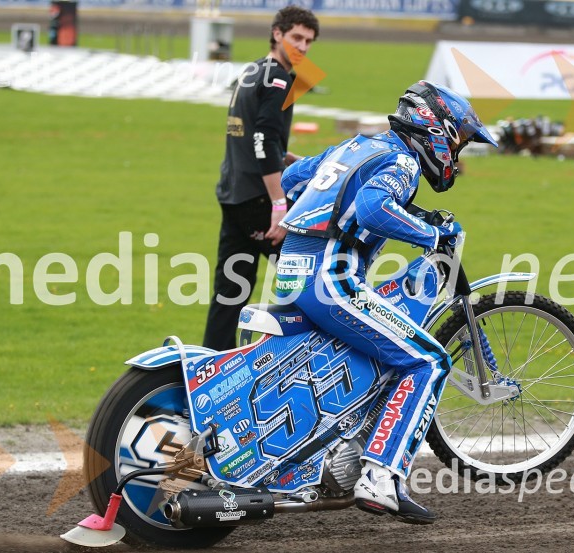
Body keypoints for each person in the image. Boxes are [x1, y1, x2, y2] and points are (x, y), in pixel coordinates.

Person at [275, 81, 498, 523]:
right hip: (329, 279)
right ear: (437, 132)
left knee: (385, 352)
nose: (456, 159)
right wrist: (432, 234)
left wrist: (328, 213)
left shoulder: (357, 146)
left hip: (293, 272)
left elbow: (293, 178)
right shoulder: (402, 161)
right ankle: (380, 479)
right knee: (428, 360)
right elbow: (374, 208)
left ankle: (342, 451)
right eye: (458, 145)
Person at [202, 6, 320, 350]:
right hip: (260, 199)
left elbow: (252, 135)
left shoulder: (253, 70)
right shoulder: (279, 79)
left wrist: (285, 155)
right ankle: (297, 359)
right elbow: (263, 140)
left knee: (229, 293)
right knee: (312, 284)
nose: (302, 47)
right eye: (296, 37)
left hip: (233, 194)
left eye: (309, 41)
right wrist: (279, 205)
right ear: (277, 33)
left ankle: (211, 365)